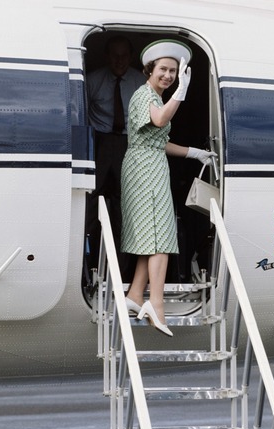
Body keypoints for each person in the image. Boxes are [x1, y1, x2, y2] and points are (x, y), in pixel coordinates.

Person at [121, 39, 217, 337]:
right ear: (150, 69)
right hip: (146, 170)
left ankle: (136, 296)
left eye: (174, 71)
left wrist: (193, 152)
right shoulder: (144, 95)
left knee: (151, 236)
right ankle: (157, 306)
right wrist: (182, 92)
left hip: (148, 165)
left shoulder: (153, 96)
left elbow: (157, 141)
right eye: (163, 69)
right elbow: (160, 120)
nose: (169, 75)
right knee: (161, 238)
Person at [85, 35, 143, 277]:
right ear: (107, 56)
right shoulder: (92, 80)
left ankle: (121, 270)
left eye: (124, 55)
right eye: (114, 55)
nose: (119, 60)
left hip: (130, 142)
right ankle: (85, 265)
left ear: (130, 57)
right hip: (98, 140)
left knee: (126, 205)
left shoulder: (141, 82)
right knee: (88, 200)